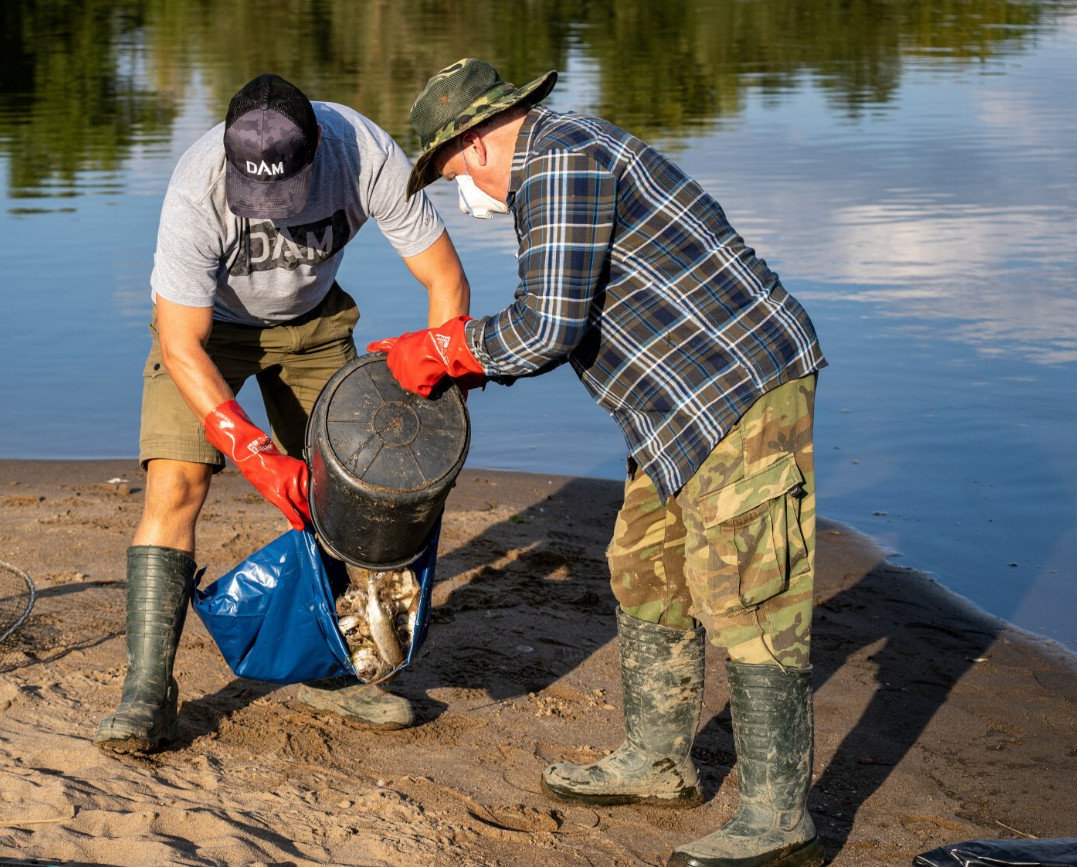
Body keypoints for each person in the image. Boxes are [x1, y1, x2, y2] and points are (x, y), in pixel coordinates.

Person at [369, 59, 828, 867]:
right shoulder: (554, 162)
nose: (459, 194)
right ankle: (659, 761)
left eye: (445, 175)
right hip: (671, 409)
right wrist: (458, 352)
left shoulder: (561, 161)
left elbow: (547, 327)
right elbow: (560, 316)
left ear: (473, 144)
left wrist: (443, 349)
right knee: (645, 564)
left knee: (752, 593)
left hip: (735, 386)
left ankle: (779, 819)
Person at [94, 73, 470, 754]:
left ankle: (333, 668)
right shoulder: (196, 184)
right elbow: (180, 341)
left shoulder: (364, 154)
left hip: (316, 324)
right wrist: (252, 452)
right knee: (177, 483)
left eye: (284, 195)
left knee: (348, 497)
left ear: (318, 147)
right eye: (255, 196)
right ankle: (147, 689)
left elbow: (443, 278)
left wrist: (440, 403)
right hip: (213, 331)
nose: (269, 211)